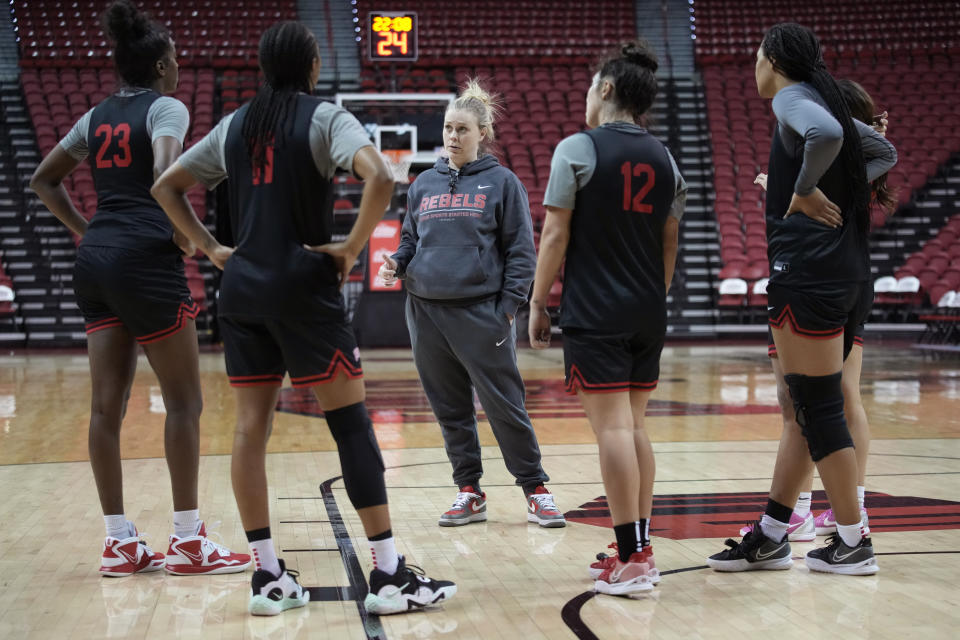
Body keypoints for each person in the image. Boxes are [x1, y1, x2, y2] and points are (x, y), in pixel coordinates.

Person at [152, 21, 456, 616]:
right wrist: (350, 249)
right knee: (350, 425)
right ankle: (390, 573)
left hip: (241, 292)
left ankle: (267, 577)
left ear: (264, 69)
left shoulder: (236, 124)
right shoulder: (324, 118)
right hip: (302, 286)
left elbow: (167, 186)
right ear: (313, 66)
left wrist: (213, 250)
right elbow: (381, 175)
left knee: (248, 431)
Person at [29, 0, 249, 578]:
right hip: (144, 260)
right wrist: (188, 237)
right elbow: (164, 177)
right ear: (158, 67)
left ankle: (119, 543)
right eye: (173, 60)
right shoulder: (168, 108)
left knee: (105, 409)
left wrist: (88, 231)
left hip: (97, 260)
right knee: (185, 402)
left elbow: (43, 180)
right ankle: (187, 542)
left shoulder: (94, 116)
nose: (177, 68)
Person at [705, 23, 896, 576]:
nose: (754, 69)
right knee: (800, 409)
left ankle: (853, 540)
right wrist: (836, 188)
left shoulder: (793, 97)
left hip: (809, 275)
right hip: (847, 273)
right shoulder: (822, 94)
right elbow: (882, 149)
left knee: (816, 408)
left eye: (756, 58)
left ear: (772, 60)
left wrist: (807, 188)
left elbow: (828, 136)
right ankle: (771, 532)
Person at [528, 41, 687, 595]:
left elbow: (554, 234)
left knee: (614, 429)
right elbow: (670, 239)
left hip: (597, 309)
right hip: (648, 308)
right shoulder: (666, 157)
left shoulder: (578, 147)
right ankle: (639, 548)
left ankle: (632, 559)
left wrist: (536, 302)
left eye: (589, 85)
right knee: (636, 426)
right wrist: (655, 295)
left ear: (607, 90)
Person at [377, 80, 565, 529]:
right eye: (447, 128)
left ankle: (535, 489)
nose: (452, 137)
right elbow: (410, 240)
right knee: (450, 407)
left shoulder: (503, 183)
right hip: (424, 312)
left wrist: (506, 309)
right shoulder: (423, 183)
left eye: (462, 129)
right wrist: (397, 263)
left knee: (505, 405)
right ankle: (469, 491)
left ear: (483, 133)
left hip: (482, 313)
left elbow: (522, 252)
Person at [743, 79, 895, 542]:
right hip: (825, 283)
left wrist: (788, 185)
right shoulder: (847, 161)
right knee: (806, 404)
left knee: (829, 402)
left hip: (820, 285)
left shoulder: (836, 165)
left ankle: (844, 511)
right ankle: (807, 510)